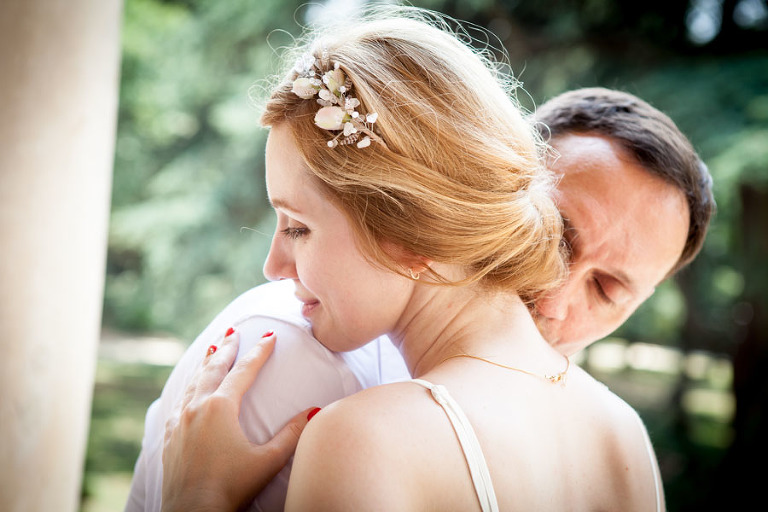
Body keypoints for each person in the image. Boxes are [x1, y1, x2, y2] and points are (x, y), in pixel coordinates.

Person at [125, 20, 715, 512]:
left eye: (299, 227)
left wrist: (196, 498)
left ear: (413, 231)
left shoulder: (361, 436)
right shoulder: (624, 437)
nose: (274, 266)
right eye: (557, 236)